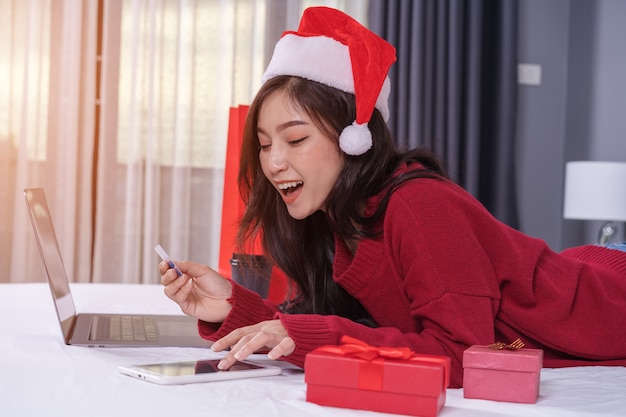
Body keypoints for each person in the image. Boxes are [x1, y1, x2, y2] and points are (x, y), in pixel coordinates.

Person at [160, 6, 626, 388]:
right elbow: (331, 326)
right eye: (263, 145)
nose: (273, 162)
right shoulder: (333, 218)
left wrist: (315, 336)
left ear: (353, 140)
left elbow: (462, 354)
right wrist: (235, 307)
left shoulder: (420, 206)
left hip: (608, 297)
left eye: (295, 140)